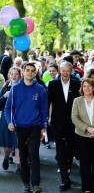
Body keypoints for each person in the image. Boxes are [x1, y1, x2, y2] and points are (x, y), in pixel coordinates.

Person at [4, 62, 48, 193]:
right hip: (20, 127)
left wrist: (43, 126)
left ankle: (35, 184)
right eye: (27, 70)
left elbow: (44, 110)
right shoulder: (15, 89)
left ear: (35, 73)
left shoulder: (40, 89)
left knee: (34, 154)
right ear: (23, 72)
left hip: (35, 126)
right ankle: (25, 184)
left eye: (32, 71)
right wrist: (9, 122)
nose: (29, 72)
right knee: (23, 156)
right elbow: (8, 108)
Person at [47, 61, 80, 192]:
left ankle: (68, 169)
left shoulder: (77, 83)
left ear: (71, 71)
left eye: (68, 70)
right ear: (59, 71)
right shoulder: (53, 84)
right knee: (60, 150)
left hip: (73, 122)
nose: (66, 73)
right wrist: (48, 118)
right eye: (63, 70)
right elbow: (48, 101)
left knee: (71, 149)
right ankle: (64, 178)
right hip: (58, 122)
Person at [71, 78, 94, 193]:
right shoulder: (77, 101)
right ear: (82, 88)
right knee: (85, 162)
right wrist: (88, 128)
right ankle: (86, 187)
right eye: (84, 86)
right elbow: (74, 118)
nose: (87, 88)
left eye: (89, 86)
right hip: (82, 135)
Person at [0, 67, 22, 174]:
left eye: (16, 74)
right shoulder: (5, 88)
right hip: (6, 118)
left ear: (20, 75)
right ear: (9, 75)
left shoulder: (23, 87)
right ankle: (6, 157)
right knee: (7, 142)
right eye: (12, 74)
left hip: (20, 118)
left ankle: (19, 166)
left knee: (18, 142)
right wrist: (4, 96)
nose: (14, 76)